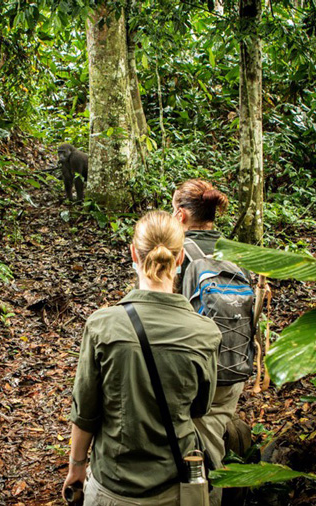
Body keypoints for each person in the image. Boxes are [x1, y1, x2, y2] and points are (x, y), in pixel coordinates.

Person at [62, 210, 221, 506]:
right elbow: (200, 407)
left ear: (133, 253)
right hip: (177, 486)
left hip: (113, 486)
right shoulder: (205, 332)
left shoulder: (102, 326)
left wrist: (76, 468)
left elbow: (85, 411)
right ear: (180, 258)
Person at [172, 179, 247, 506]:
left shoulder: (179, 255)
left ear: (181, 215)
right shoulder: (236, 254)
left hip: (194, 373)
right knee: (212, 441)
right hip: (233, 368)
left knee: (189, 450)